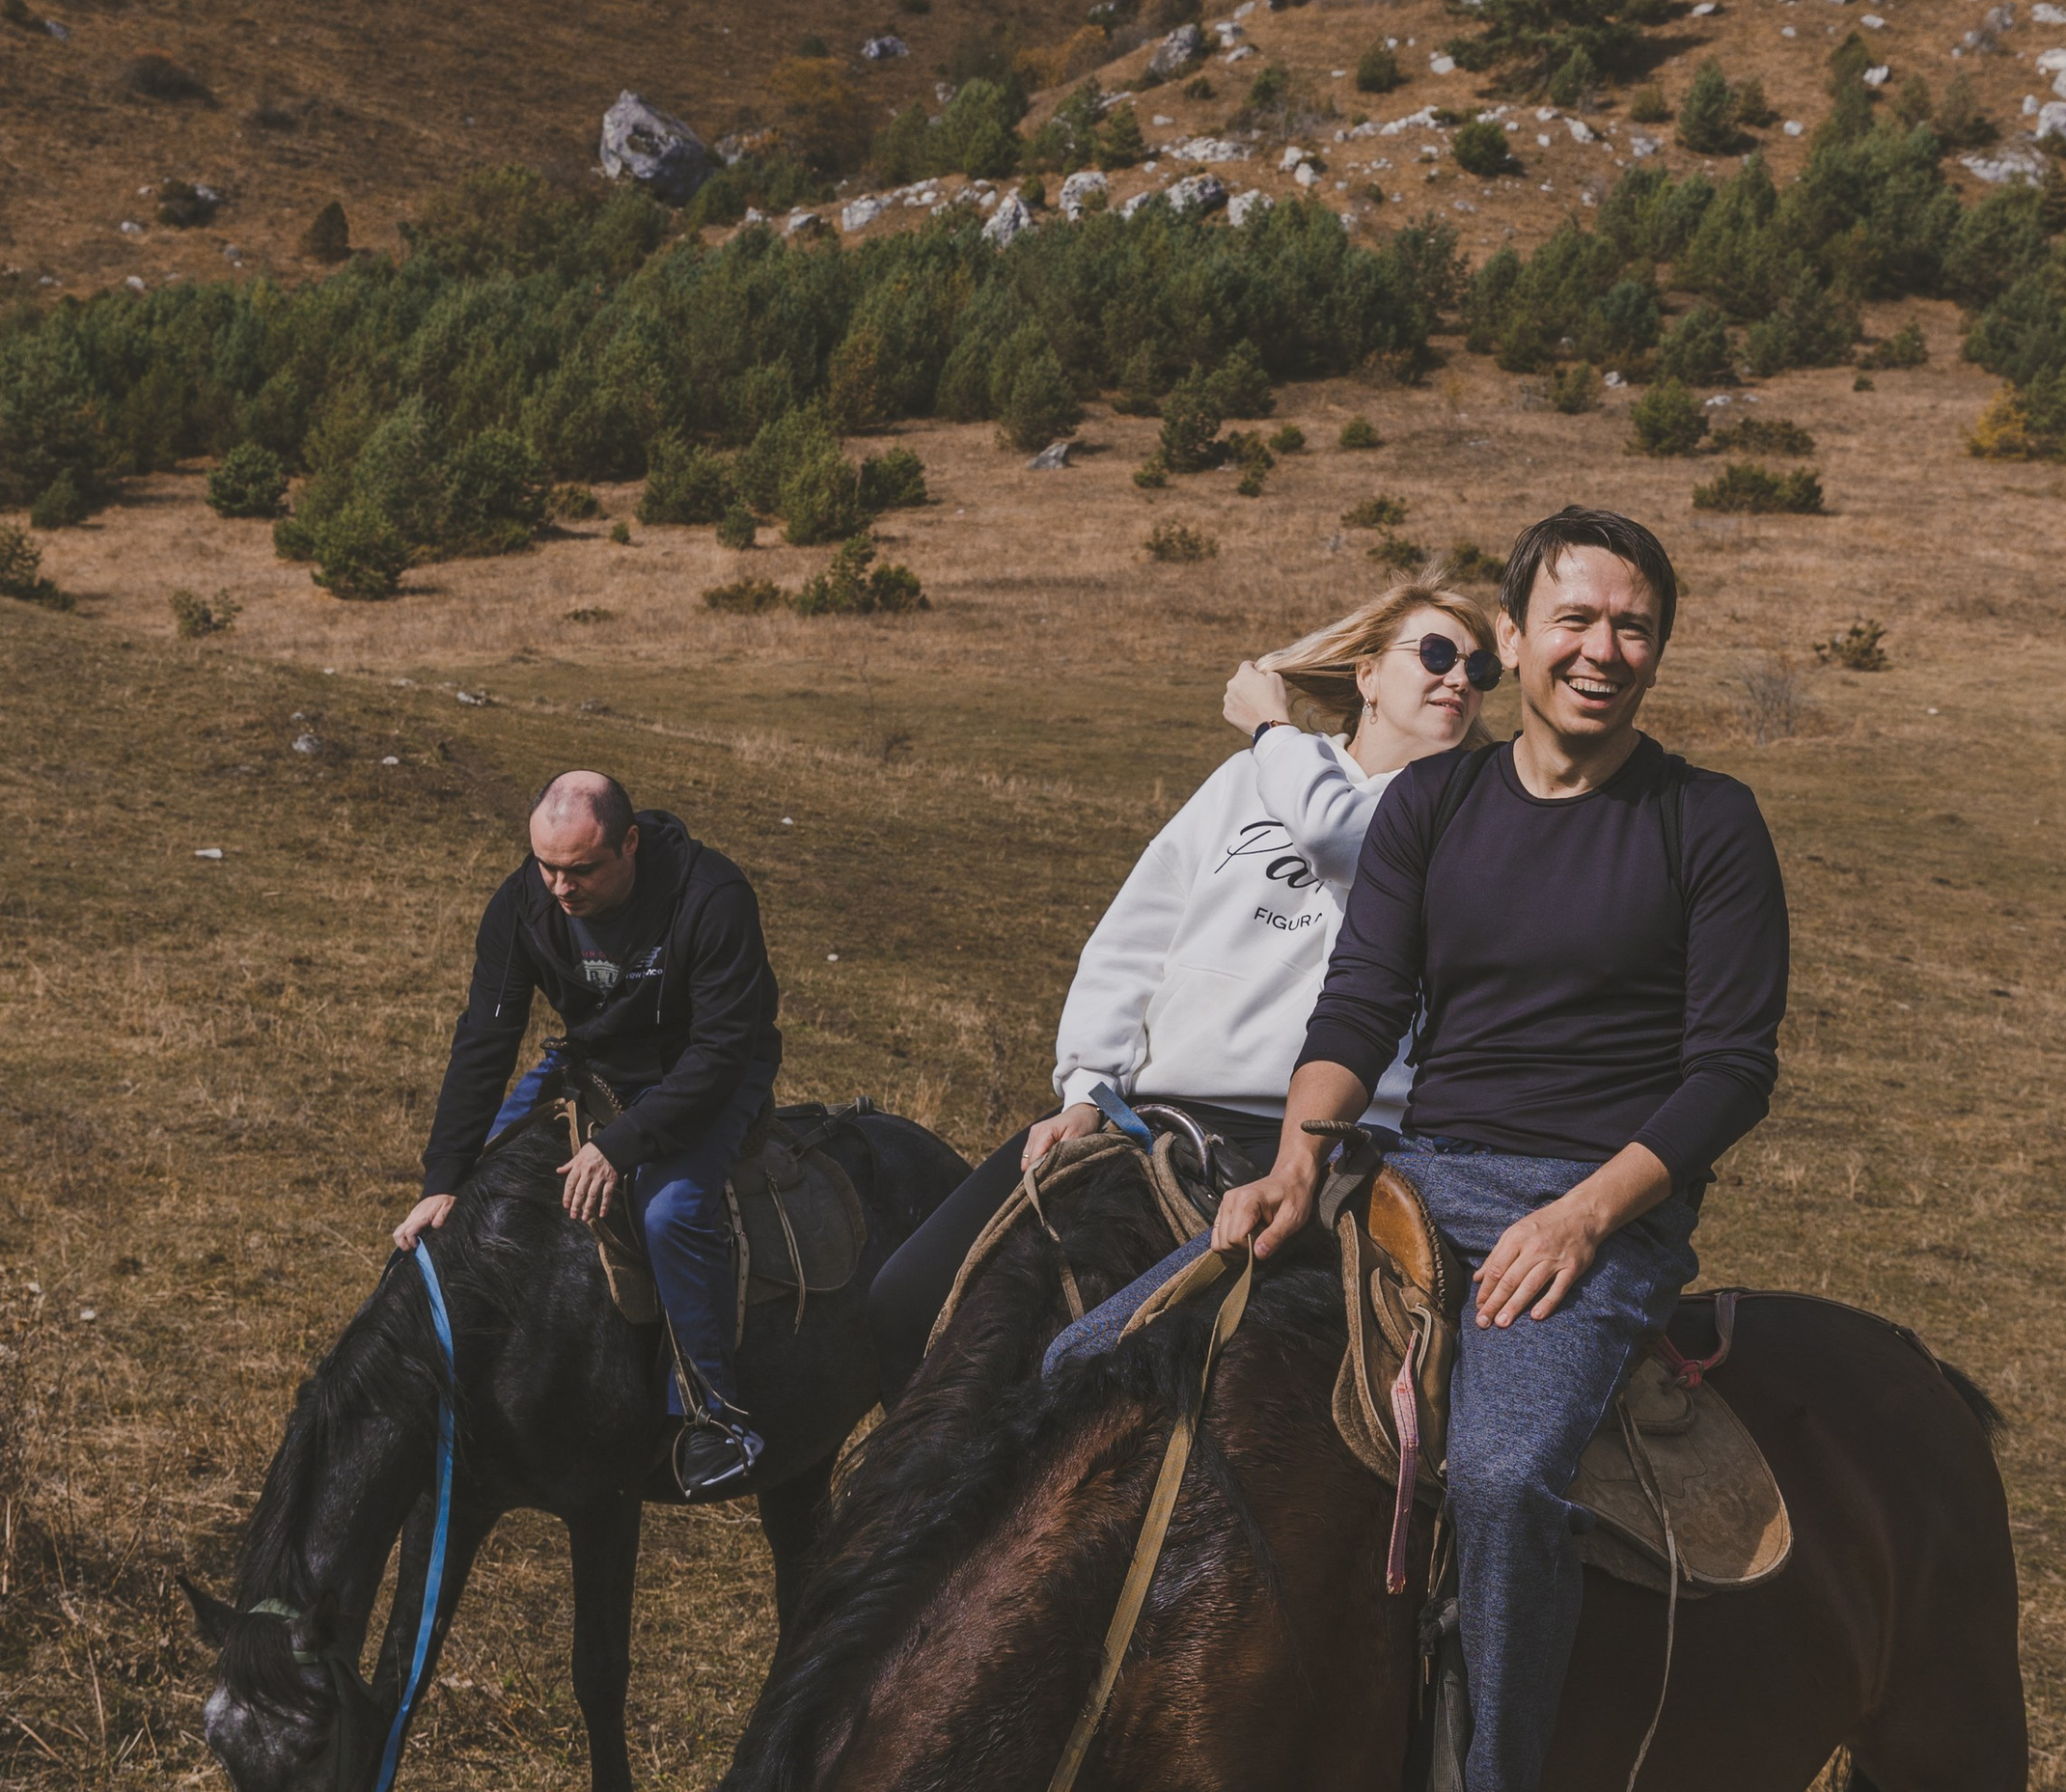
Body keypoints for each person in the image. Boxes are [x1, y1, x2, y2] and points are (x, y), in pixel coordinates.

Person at [1211, 505, 1791, 1792]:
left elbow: (1730, 1070)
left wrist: (1591, 1215)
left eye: (1636, 625)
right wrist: (1297, 1162)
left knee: (1503, 1468)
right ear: (1517, 638)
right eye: (1577, 621)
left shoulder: (1704, 823)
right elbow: (1360, 1005)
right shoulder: (1434, 809)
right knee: (1139, 1337)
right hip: (1415, 1175)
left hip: (1599, 1211)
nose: (1606, 650)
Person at [864, 582, 1500, 1394]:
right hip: (1154, 1118)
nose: (1460, 679)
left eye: (1478, 667)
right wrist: (1087, 1087)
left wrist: (1276, 730)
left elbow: (1340, 838)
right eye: (1438, 654)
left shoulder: (1470, 812)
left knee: (1165, 1386)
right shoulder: (1244, 783)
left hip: (1322, 1147)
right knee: (905, 1303)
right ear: (1369, 675)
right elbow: (1135, 938)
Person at [392, 772, 785, 1497]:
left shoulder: (714, 897)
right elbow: (485, 1039)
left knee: (670, 1212)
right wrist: (444, 1177)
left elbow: (724, 1050)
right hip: (595, 1061)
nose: (560, 889)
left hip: (708, 1072)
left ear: (629, 844)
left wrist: (621, 1144)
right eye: (546, 868)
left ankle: (715, 1415)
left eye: (580, 870)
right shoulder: (522, 902)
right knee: (475, 1197)